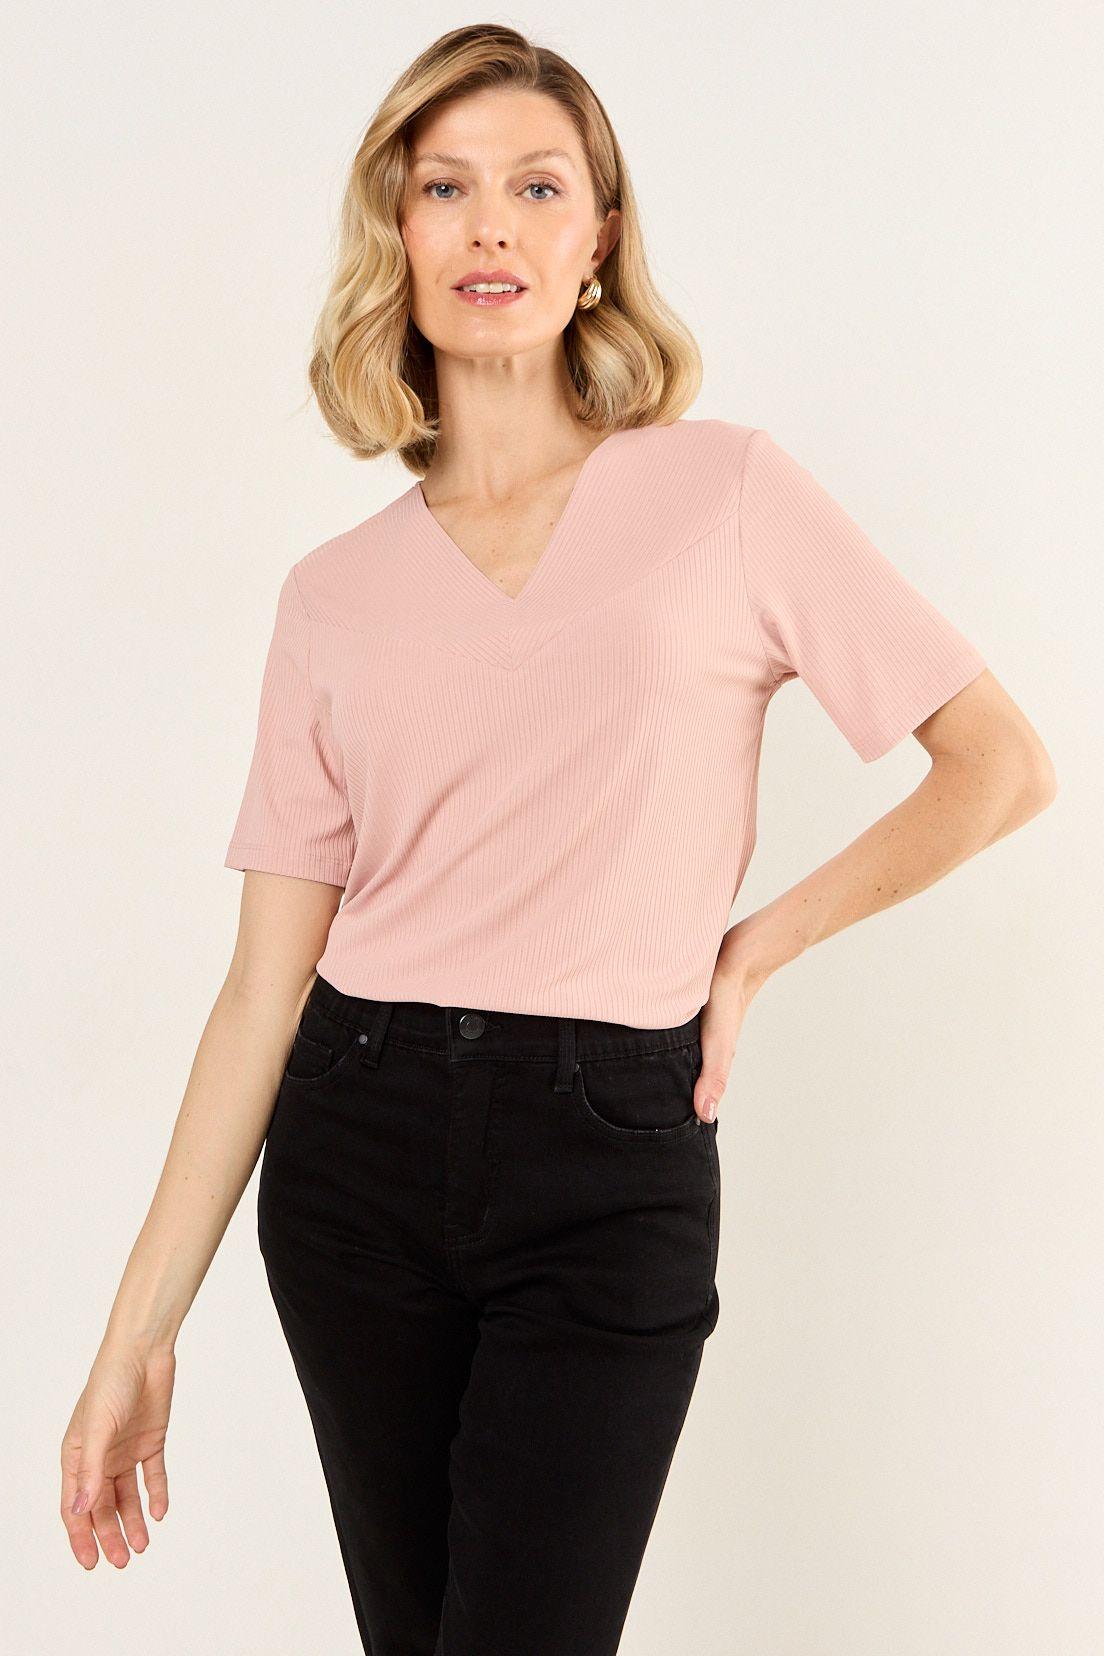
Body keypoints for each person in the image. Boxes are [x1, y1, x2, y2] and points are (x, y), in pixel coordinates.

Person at [59, 22, 1057, 1655]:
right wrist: (136, 1336)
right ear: (399, 233)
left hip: (611, 1158)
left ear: (599, 241)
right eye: (444, 187)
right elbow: (259, 991)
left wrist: (758, 948)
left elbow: (998, 765)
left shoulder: (729, 496)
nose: (491, 226)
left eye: (537, 187)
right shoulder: (331, 597)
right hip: (355, 1147)